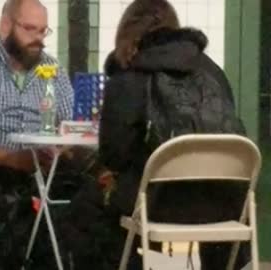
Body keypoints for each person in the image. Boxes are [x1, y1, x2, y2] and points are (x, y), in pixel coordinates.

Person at [99, 0, 249, 269]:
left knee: (88, 206)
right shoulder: (214, 72)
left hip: (158, 207)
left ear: (128, 33)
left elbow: (113, 155)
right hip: (226, 207)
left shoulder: (128, 77)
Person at [0, 0, 90, 268]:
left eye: (43, 31)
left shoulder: (52, 70)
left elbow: (73, 126)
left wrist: (61, 149)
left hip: (39, 166)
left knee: (88, 198)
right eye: (30, 29)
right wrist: (11, 158)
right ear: (5, 25)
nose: (38, 40)